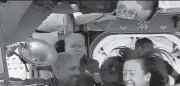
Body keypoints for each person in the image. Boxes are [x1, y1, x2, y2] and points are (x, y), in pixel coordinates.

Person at [5, 0, 159, 46]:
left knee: (13, 37)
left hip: (44, 5)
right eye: (134, 12)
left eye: (133, 18)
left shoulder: (108, 7)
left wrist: (45, 10)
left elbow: (72, 7)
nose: (128, 15)